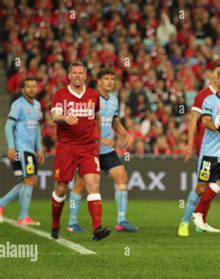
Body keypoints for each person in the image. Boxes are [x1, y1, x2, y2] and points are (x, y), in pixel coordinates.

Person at [67, 67, 137, 233]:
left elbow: (114, 122)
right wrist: (99, 138)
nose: (110, 82)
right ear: (98, 81)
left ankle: (121, 220)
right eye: (106, 79)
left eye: (112, 79)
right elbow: (83, 125)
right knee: (80, 185)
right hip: (89, 149)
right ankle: (72, 222)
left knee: (122, 177)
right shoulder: (89, 97)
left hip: (106, 150)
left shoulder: (113, 100)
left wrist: (125, 133)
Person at [181, 70, 220, 237]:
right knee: (201, 188)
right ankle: (184, 222)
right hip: (209, 153)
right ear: (217, 81)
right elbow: (206, 122)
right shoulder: (209, 100)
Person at [50, 61, 110, 240]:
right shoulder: (60, 95)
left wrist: (98, 138)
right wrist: (64, 117)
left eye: (80, 73)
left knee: (93, 184)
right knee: (61, 188)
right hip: (66, 147)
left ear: (85, 76)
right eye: (74, 73)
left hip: (88, 147)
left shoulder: (93, 95)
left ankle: (97, 228)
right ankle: (55, 225)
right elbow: (54, 116)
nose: (77, 76)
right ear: (69, 76)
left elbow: (97, 116)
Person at [178, 65, 220, 236]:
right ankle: (185, 222)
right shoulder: (203, 96)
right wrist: (190, 144)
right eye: (218, 73)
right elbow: (193, 121)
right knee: (201, 187)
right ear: (212, 76)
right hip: (206, 148)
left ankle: (201, 220)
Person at [0, 77, 44, 225]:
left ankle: (1, 204)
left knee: (31, 182)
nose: (32, 89)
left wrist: (39, 149)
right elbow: (8, 126)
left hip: (31, 150)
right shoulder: (18, 105)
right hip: (21, 149)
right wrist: (12, 147)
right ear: (23, 90)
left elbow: (37, 128)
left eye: (34, 86)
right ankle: (23, 217)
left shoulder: (37, 105)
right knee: (29, 181)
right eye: (28, 87)